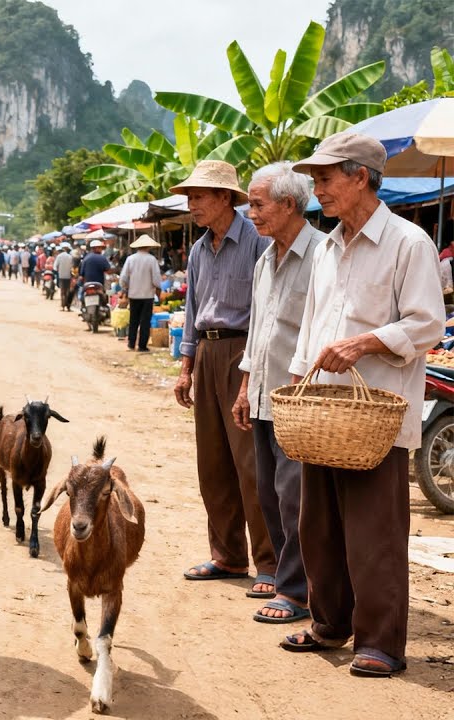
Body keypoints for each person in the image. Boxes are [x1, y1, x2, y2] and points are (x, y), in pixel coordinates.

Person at [280, 133, 444, 677]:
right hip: (323, 416)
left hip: (378, 416)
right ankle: (331, 623)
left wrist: (364, 342)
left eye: (326, 179)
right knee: (318, 527)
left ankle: (379, 642)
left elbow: (427, 323)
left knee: (374, 533)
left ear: (361, 177)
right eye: (315, 180)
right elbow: (311, 327)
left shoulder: (408, 242)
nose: (317, 190)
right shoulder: (328, 246)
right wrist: (297, 381)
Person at [172, 160, 277, 598]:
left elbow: (263, 310)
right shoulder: (198, 250)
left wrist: (247, 375)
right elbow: (194, 312)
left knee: (251, 464)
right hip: (209, 349)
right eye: (190, 197)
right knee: (212, 463)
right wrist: (185, 367)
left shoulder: (256, 241)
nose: (192, 204)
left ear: (223, 198)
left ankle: (270, 565)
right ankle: (228, 555)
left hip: (243, 350)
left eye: (198, 196)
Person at [229, 162, 322, 624]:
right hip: (264, 395)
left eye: (258, 203)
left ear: (288, 205)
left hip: (301, 401)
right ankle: (290, 581)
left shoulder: (324, 255)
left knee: (294, 496)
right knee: (269, 493)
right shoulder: (265, 259)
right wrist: (246, 385)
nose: (251, 212)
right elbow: (258, 331)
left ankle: (297, 592)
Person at [120, 235, 162, 352]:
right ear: (148, 246)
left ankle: (131, 343)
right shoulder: (151, 259)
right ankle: (142, 346)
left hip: (133, 295)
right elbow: (156, 279)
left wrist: (126, 288)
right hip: (147, 296)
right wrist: (158, 290)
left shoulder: (130, 259)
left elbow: (123, 277)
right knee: (145, 321)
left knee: (133, 320)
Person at [53, 247, 74, 311]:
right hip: (69, 276)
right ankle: (68, 306)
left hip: (61, 276)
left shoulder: (59, 256)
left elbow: (55, 267)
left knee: (62, 292)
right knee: (68, 291)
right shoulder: (70, 257)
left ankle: (62, 306)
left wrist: (58, 271)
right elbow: (72, 267)